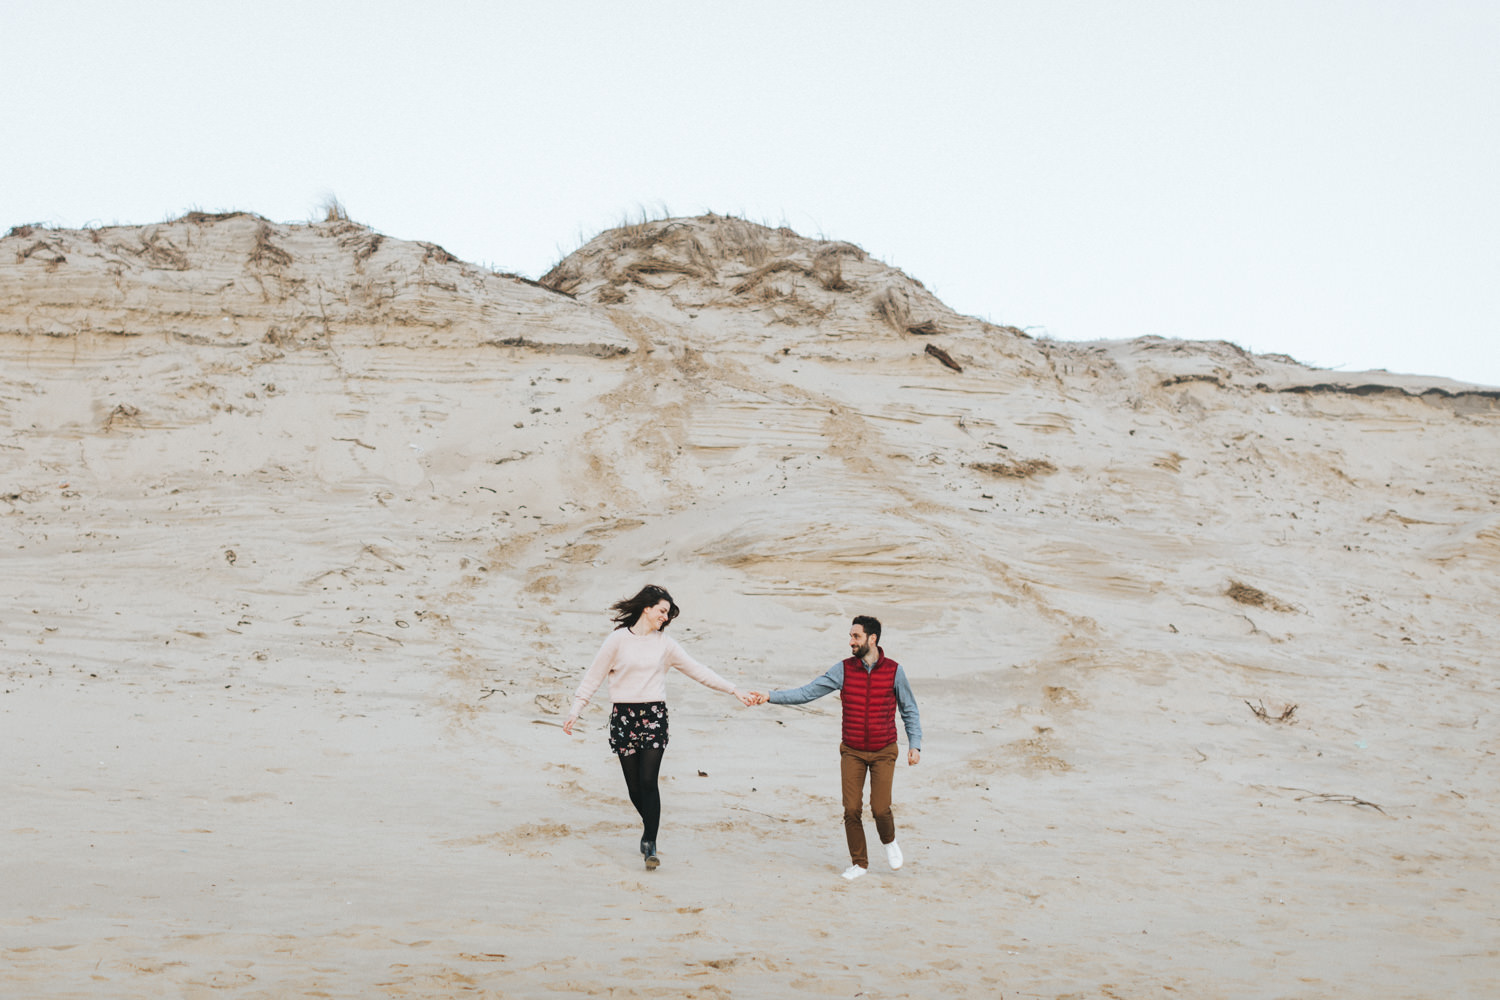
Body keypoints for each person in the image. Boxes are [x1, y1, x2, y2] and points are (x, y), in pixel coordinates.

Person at [563, 584, 756, 870]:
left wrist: (733, 689)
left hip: (654, 716)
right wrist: (576, 709)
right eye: (662, 611)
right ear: (647, 607)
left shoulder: (665, 644)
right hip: (623, 717)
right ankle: (649, 825)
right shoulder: (617, 640)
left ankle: (650, 842)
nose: (665, 618)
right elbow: (593, 677)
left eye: (668, 614)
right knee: (634, 788)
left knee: (649, 781)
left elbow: (697, 670)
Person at [750, 615, 921, 881]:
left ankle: (889, 843)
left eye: (856, 636)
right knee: (851, 808)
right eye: (851, 636)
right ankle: (859, 863)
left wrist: (915, 745)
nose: (850, 641)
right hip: (852, 750)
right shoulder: (843, 670)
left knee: (880, 808)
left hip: (883, 750)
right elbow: (807, 693)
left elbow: (909, 709)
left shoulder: (894, 671)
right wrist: (771, 696)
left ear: (872, 639)